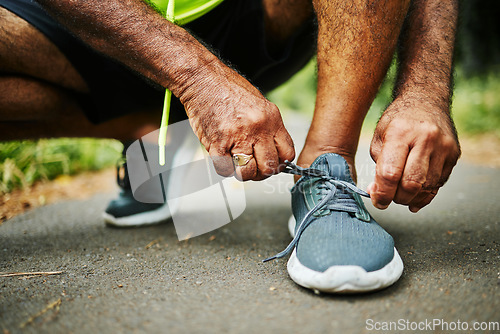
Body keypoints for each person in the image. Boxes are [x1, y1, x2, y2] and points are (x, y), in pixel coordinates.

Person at [0, 0, 460, 293]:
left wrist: (426, 90)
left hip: (246, 13)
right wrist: (196, 78)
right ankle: (148, 133)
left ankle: (327, 163)